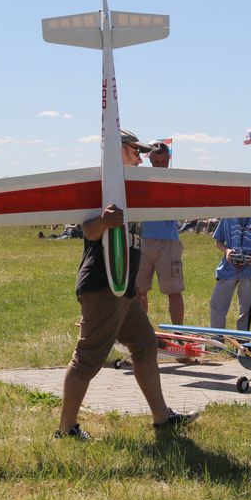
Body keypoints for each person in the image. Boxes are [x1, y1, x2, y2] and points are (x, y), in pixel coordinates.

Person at [56, 129, 196, 440]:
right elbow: (89, 230)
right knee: (88, 357)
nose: (141, 156)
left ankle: (162, 417)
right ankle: (65, 430)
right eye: (135, 150)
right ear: (118, 151)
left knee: (145, 345)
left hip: (125, 289)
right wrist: (104, 222)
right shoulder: (101, 186)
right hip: (104, 285)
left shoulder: (133, 188)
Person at [136, 141, 185, 324]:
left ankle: (179, 333)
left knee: (174, 291)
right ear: (150, 161)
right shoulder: (141, 181)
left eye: (163, 162)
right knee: (139, 291)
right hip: (143, 241)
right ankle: (142, 332)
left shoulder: (176, 181)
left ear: (169, 160)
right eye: (156, 163)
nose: (160, 166)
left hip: (169, 242)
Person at [210, 216, 251, 330]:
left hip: (250, 269)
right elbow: (218, 241)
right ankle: (217, 339)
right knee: (217, 303)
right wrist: (227, 251)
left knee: (245, 309)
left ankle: (242, 340)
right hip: (228, 269)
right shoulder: (228, 216)